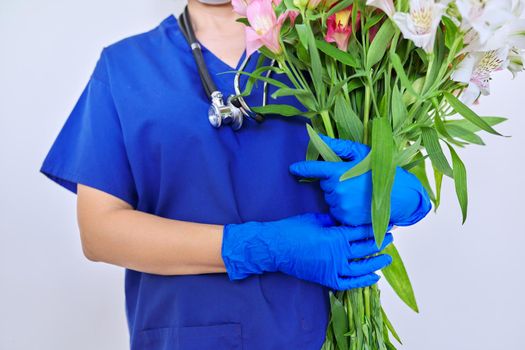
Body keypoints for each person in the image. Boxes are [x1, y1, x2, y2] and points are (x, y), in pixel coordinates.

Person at [39, 0, 432, 349]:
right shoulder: (126, 67)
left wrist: (398, 194)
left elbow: (401, 158)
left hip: (324, 333)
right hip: (183, 334)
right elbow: (99, 232)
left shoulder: (339, 45)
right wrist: (262, 245)